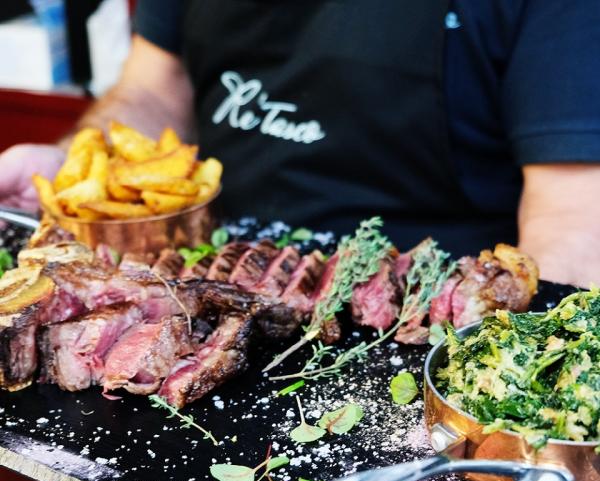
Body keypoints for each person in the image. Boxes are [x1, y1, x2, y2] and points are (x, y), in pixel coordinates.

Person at [0, 1, 599, 287]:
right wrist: (78, 164)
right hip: (210, 286)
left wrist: (498, 372)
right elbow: (153, 89)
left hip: (417, 324)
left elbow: (575, 225)